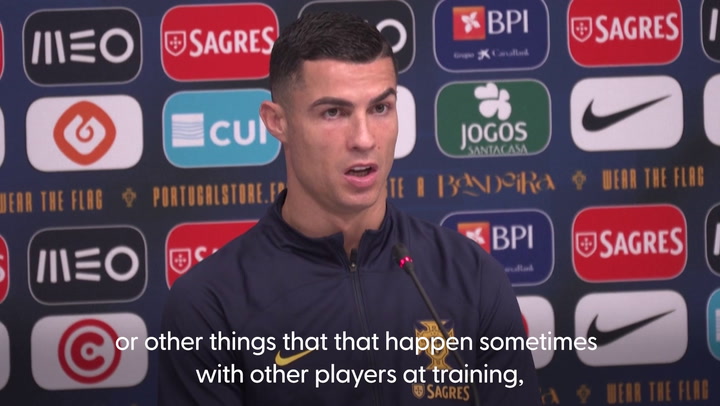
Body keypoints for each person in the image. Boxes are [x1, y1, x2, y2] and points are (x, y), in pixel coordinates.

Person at [159, 11, 540, 405]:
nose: (364, 138)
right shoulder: (208, 304)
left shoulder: (471, 275)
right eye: (333, 112)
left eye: (380, 108)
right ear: (277, 122)